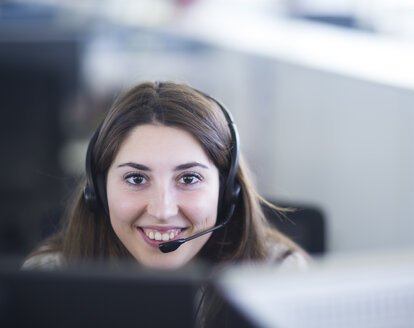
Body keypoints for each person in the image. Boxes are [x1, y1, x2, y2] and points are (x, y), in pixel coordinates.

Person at [23, 81, 309, 325]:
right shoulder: (49, 278)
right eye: (136, 179)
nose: (162, 211)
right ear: (98, 189)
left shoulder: (280, 278)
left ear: (227, 191)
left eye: (188, 179)